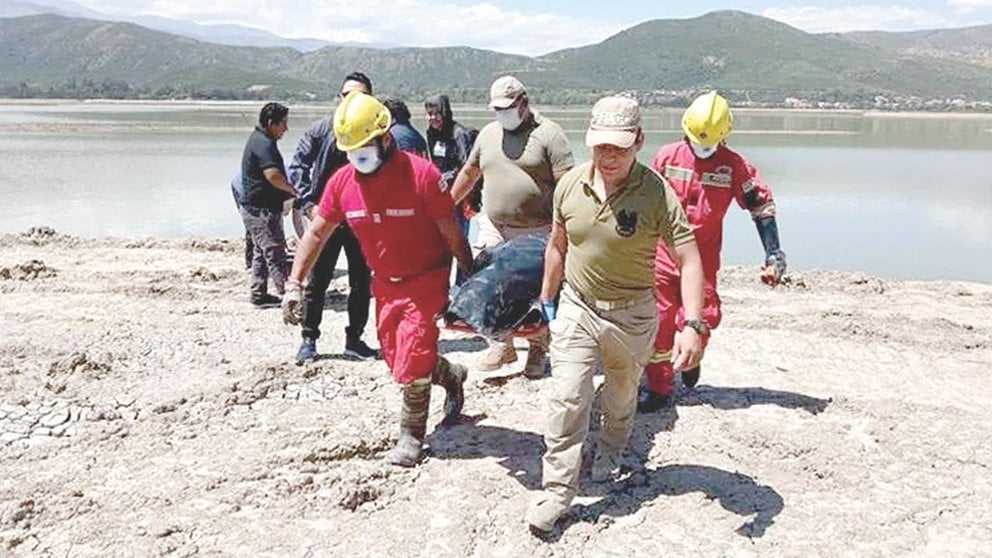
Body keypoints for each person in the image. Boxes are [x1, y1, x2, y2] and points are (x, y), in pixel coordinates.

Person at [526, 95, 705, 533]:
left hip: (632, 315)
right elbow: (556, 245)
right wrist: (545, 300)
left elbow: (690, 259)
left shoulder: (656, 193)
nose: (607, 157)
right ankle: (557, 493)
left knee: (620, 397)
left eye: (618, 148)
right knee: (568, 396)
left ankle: (610, 448)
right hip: (578, 306)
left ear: (639, 141)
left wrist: (693, 324)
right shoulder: (569, 185)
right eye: (600, 146)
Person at [282, 92, 474, 467]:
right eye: (350, 151)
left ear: (386, 138)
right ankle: (452, 375)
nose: (358, 158)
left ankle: (411, 438)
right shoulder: (342, 183)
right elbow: (317, 233)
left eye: (364, 148)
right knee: (397, 357)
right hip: (384, 282)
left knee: (414, 352)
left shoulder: (422, 175)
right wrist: (295, 283)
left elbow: (451, 230)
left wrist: (467, 272)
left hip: (426, 277)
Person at [638, 91, 787, 413]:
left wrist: (774, 254)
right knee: (660, 322)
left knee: (704, 316)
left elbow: (760, 205)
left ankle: (692, 355)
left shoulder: (733, 166)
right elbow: (643, 203)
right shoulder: (666, 157)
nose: (701, 149)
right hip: (663, 255)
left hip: (704, 259)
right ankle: (660, 386)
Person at [450, 75, 574, 377]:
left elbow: (568, 184)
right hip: (494, 225)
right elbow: (470, 172)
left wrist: (569, 225)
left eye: (507, 107)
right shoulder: (489, 134)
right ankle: (501, 346)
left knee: (533, 294)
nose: (502, 113)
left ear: (524, 102)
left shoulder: (550, 134)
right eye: (496, 108)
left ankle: (538, 348)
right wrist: (446, 204)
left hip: (538, 230)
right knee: (489, 287)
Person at [287, 72, 377, 363]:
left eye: (358, 96)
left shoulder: (374, 132)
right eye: (345, 95)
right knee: (318, 280)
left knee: (362, 282)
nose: (350, 101)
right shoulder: (321, 129)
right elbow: (298, 166)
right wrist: (308, 202)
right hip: (325, 217)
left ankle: (355, 340)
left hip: (360, 219)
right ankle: (309, 339)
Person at [239, 102, 295, 308]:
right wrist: (292, 189)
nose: (286, 129)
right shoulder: (264, 143)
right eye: (283, 124)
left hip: (256, 206)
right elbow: (272, 175)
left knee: (261, 252)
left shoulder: (260, 140)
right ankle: (288, 296)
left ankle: (258, 294)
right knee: (274, 251)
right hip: (260, 209)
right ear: (271, 123)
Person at [424, 94, 477, 245]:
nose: (432, 118)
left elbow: (466, 166)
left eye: (436, 113)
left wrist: (468, 200)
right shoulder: (431, 134)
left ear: (445, 113)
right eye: (429, 114)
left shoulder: (459, 134)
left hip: (459, 193)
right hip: (439, 192)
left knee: (460, 239)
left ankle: (464, 268)